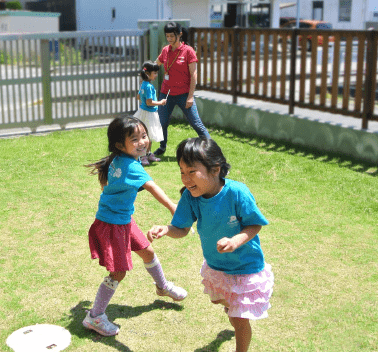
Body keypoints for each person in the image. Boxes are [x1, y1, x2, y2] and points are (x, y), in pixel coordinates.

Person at [147, 138, 274, 352]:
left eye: (192, 172)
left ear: (215, 170)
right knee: (228, 307)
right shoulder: (191, 197)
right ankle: (232, 309)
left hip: (245, 268)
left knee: (239, 319)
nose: (185, 179)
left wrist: (235, 241)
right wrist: (167, 230)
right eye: (182, 172)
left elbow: (255, 225)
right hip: (217, 266)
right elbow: (183, 228)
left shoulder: (237, 193)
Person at [83, 116, 187, 337]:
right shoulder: (131, 165)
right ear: (121, 145)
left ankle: (162, 287)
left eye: (144, 136)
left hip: (122, 221)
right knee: (117, 272)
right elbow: (151, 186)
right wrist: (171, 206)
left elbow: (106, 184)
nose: (143, 142)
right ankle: (95, 317)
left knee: (147, 252)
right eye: (135, 139)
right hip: (114, 225)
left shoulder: (118, 159)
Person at [154, 22, 211, 157]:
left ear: (179, 34)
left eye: (172, 36)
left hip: (184, 95)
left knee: (196, 123)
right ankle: (162, 147)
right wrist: (145, 70)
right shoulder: (165, 50)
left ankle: (211, 150)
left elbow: (194, 74)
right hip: (166, 94)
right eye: (167, 36)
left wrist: (190, 96)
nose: (169, 39)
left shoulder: (188, 51)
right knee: (162, 123)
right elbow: (155, 64)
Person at [133, 60, 166, 166]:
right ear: (147, 74)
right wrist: (161, 102)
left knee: (146, 135)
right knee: (146, 136)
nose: (156, 75)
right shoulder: (149, 86)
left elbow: (138, 97)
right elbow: (149, 102)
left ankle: (147, 154)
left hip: (143, 112)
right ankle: (143, 156)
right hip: (149, 114)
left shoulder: (143, 84)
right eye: (155, 73)